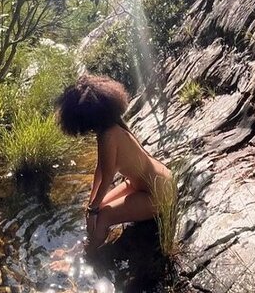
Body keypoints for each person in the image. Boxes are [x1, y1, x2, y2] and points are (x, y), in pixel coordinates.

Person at [55, 74, 173, 250]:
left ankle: (88, 254)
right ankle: (83, 247)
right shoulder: (110, 127)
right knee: (98, 208)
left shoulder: (108, 136)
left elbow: (108, 177)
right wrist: (91, 204)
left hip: (158, 194)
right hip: (149, 183)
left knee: (103, 217)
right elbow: (100, 169)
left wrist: (94, 210)